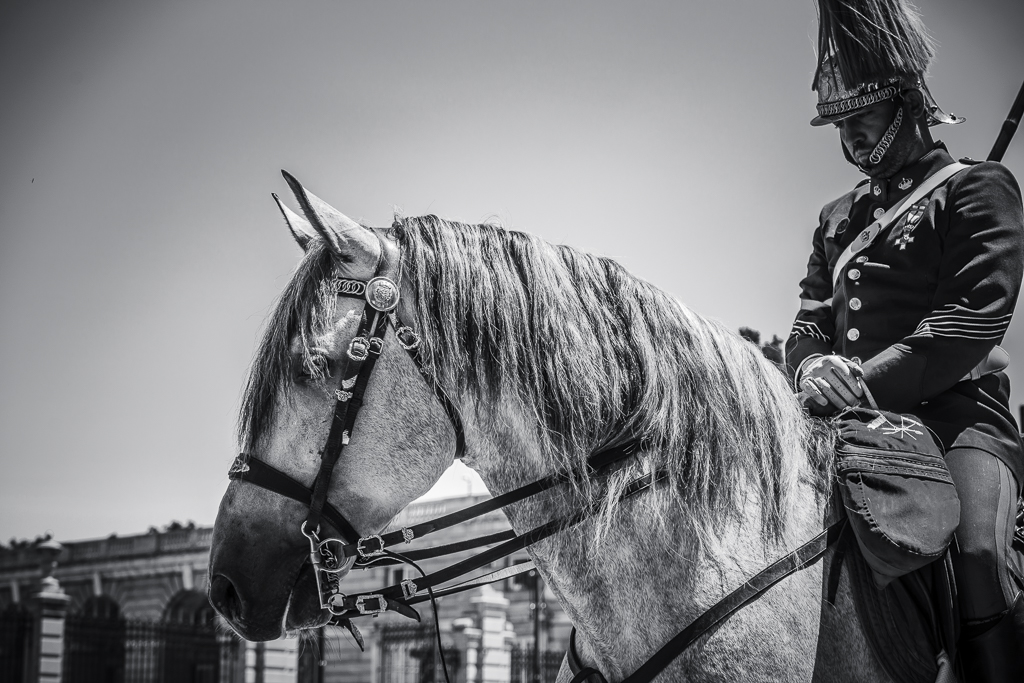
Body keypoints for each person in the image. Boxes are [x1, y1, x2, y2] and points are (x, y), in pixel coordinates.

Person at [784, 0, 1024, 680]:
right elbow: (807, 324)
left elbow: (967, 323)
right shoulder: (836, 218)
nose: (850, 138)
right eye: (840, 124)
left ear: (910, 104)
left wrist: (860, 381)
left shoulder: (980, 190)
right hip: (852, 423)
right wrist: (811, 370)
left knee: (978, 556)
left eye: (863, 118)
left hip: (958, 424)